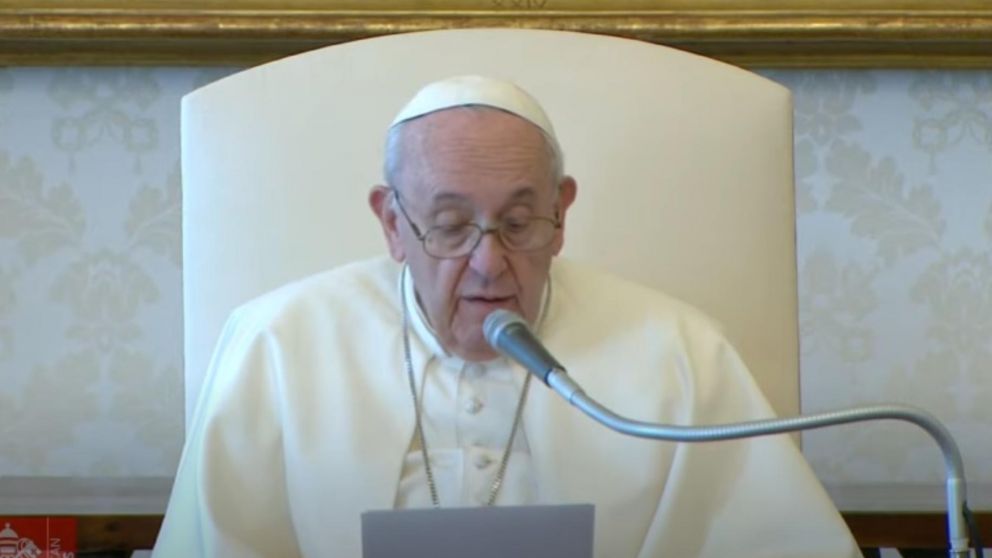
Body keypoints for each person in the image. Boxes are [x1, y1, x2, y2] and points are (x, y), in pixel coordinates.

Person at [153, 75, 860, 557]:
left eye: (519, 224)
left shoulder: (680, 352)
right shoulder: (276, 345)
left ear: (562, 214)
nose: (489, 265)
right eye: (450, 226)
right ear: (393, 223)